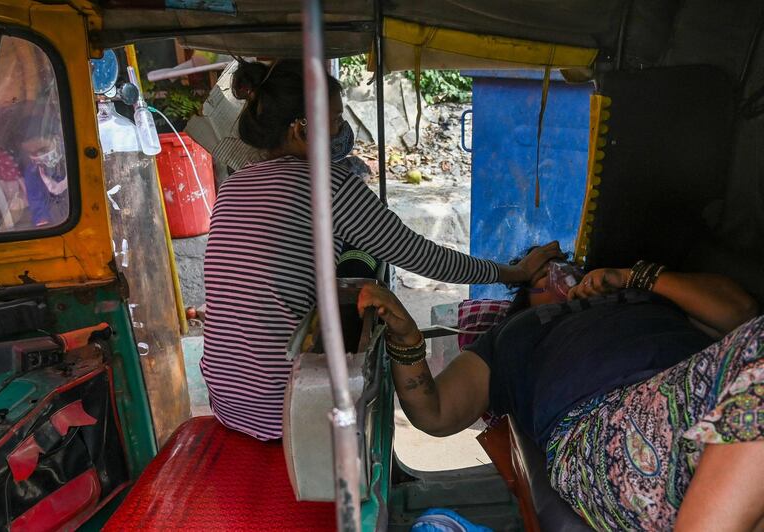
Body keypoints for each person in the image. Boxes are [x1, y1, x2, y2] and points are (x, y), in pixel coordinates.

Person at [201, 59, 563, 441]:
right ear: (300, 127)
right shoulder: (328, 184)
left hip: (228, 403)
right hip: (284, 410)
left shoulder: (234, 184)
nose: (341, 132)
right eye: (336, 120)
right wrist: (515, 272)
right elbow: (423, 257)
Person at [357, 259, 762, 530]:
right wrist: (407, 340)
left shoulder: (647, 297)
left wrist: (632, 277)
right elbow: (436, 413)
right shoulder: (511, 335)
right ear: (525, 293)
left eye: (567, 263)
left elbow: (742, 315)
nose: (560, 271)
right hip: (601, 433)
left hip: (714, 407)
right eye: (543, 270)